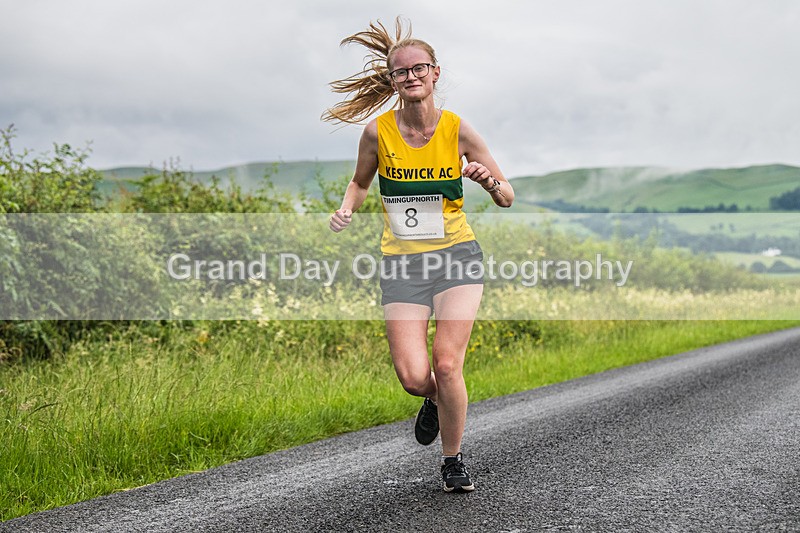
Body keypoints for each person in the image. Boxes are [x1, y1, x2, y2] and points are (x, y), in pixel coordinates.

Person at [323, 18, 514, 493]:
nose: (410, 77)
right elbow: (360, 183)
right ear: (392, 80)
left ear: (434, 73)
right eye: (401, 72)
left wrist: (487, 181)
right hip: (403, 264)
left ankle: (453, 460)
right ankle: (435, 399)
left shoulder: (458, 130)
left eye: (419, 69)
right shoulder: (377, 133)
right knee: (414, 378)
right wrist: (346, 208)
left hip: (457, 256)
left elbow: (507, 195)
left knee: (447, 365)